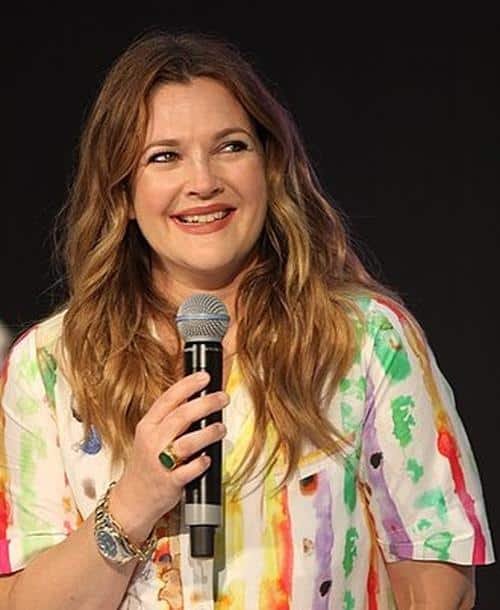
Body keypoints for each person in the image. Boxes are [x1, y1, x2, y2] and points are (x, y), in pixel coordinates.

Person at [0, 30, 494, 610]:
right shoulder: (48, 366)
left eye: (231, 147)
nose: (203, 182)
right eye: (164, 156)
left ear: (269, 166)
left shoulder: (362, 340)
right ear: (122, 191)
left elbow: (438, 578)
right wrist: (134, 501)